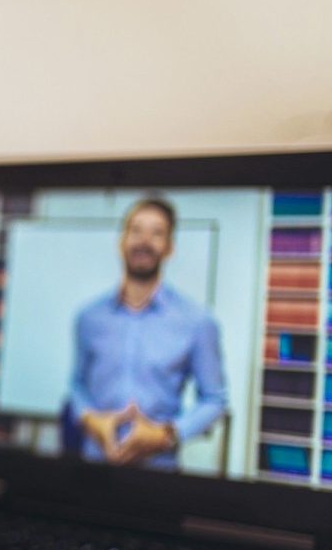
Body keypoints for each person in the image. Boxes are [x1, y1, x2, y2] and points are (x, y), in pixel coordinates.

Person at [69, 197, 229, 470]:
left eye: (156, 233)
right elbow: (76, 385)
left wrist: (168, 434)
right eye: (136, 230)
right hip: (91, 471)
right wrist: (89, 418)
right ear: (121, 241)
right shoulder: (89, 317)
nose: (144, 241)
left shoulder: (198, 322)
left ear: (169, 248)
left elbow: (215, 400)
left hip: (158, 476)